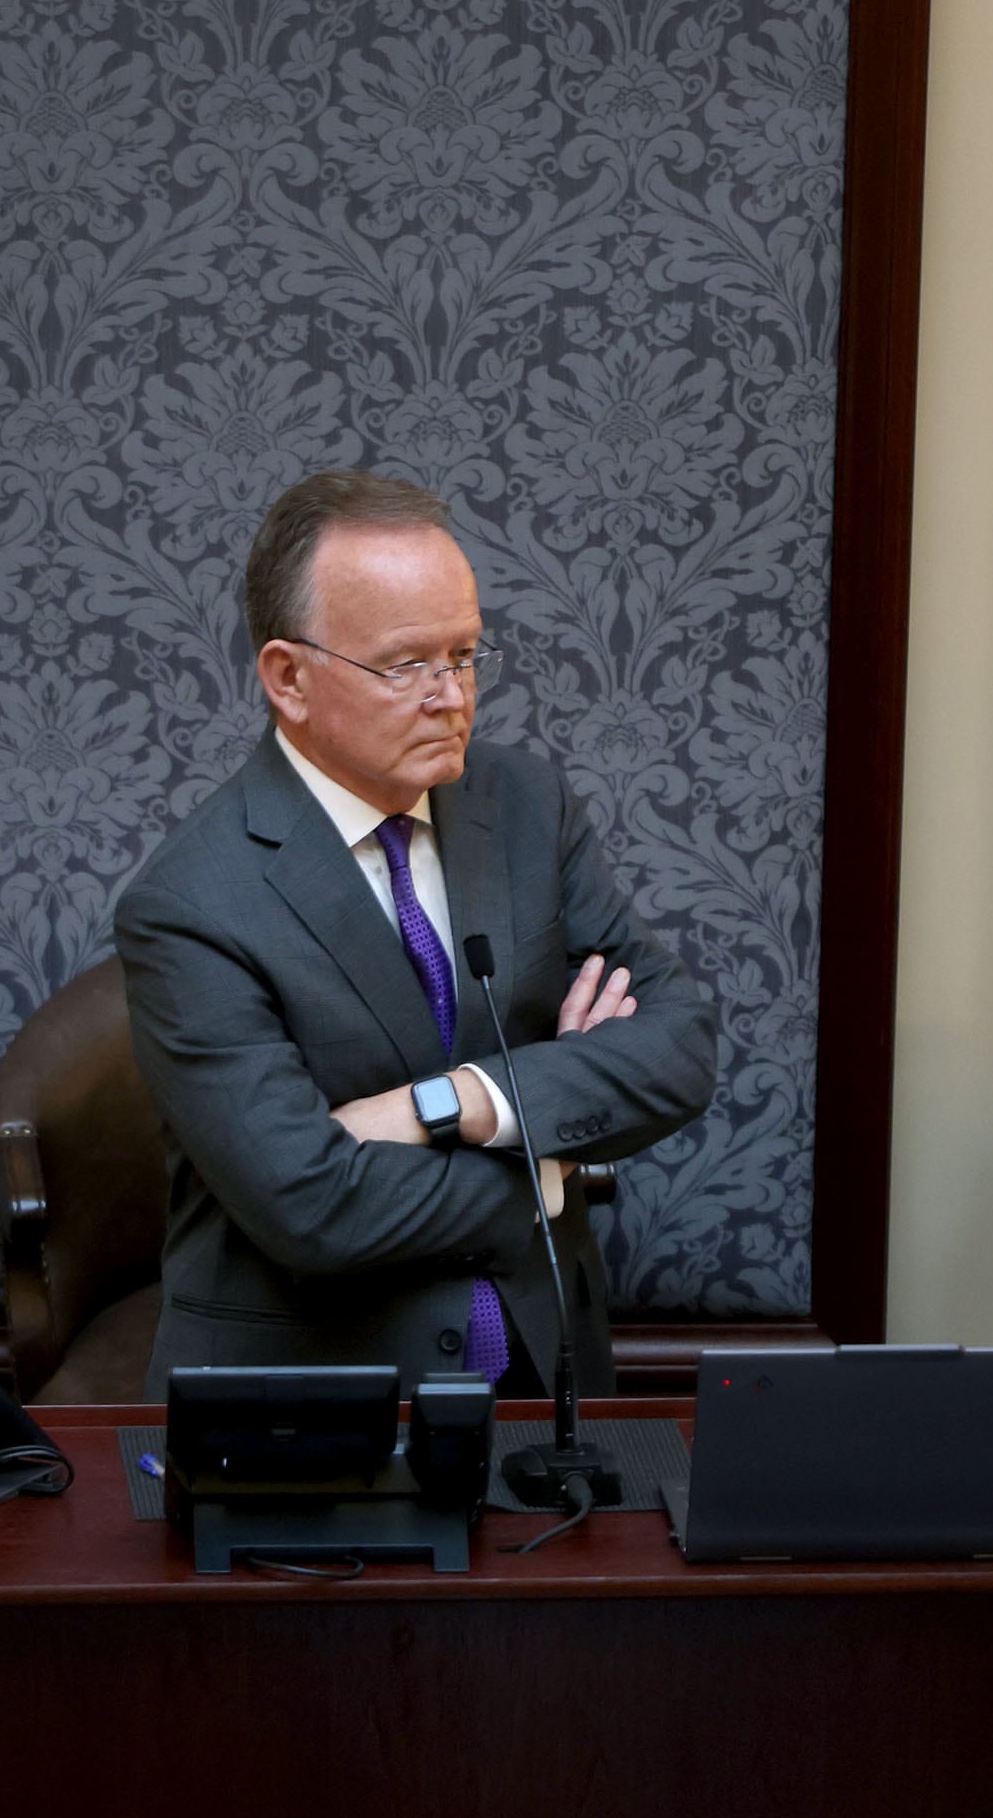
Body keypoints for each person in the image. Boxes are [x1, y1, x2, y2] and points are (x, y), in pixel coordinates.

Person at [116, 468, 717, 1397]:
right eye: (407, 664)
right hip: (313, 1404)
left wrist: (458, 1101)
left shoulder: (523, 805)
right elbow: (311, 1202)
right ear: (289, 678)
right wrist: (547, 1170)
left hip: (544, 1374)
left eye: (467, 653)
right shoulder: (194, 900)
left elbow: (675, 1044)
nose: (452, 695)